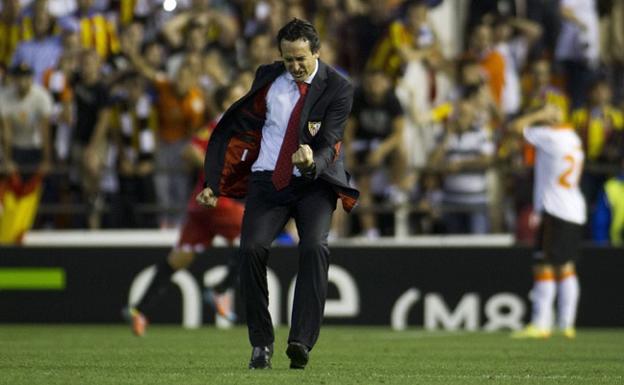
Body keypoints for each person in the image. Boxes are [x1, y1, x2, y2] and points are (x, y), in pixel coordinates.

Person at [196, 18, 358, 370]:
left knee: (314, 247)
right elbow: (239, 129)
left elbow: (331, 140)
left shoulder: (338, 88)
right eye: (289, 60)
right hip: (267, 181)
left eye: (301, 58)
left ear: (317, 51)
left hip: (314, 183)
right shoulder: (267, 78)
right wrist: (215, 181)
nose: (295, 67)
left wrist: (313, 159)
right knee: (251, 249)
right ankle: (261, 344)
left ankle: (300, 340)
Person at [125, 84, 247, 337]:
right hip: (215, 201)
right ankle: (221, 290)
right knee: (256, 235)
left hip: (200, 206)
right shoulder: (223, 123)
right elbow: (190, 150)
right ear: (226, 103)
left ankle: (139, 310)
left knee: (180, 257)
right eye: (239, 96)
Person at [509, 103, 586, 339]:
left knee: (543, 265)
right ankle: (566, 324)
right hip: (574, 208)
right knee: (566, 267)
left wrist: (539, 114)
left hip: (555, 208)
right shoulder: (572, 138)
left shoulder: (550, 136)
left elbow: (515, 127)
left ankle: (541, 324)